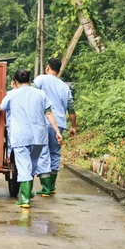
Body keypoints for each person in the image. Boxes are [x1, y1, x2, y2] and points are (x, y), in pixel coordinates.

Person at [0, 69, 62, 208]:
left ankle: (25, 198)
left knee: (24, 165)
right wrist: (57, 131)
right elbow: (48, 113)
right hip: (39, 137)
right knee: (33, 163)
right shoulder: (40, 94)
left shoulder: (12, 94)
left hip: (21, 136)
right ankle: (28, 191)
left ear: (14, 82)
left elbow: (2, 107)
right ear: (29, 80)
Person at [32, 57, 77, 195]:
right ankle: (52, 186)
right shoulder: (65, 86)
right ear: (58, 70)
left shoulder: (41, 79)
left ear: (47, 67)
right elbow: (71, 108)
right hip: (60, 124)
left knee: (43, 152)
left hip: (44, 122)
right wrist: (73, 126)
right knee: (55, 153)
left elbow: (30, 94)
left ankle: (45, 188)